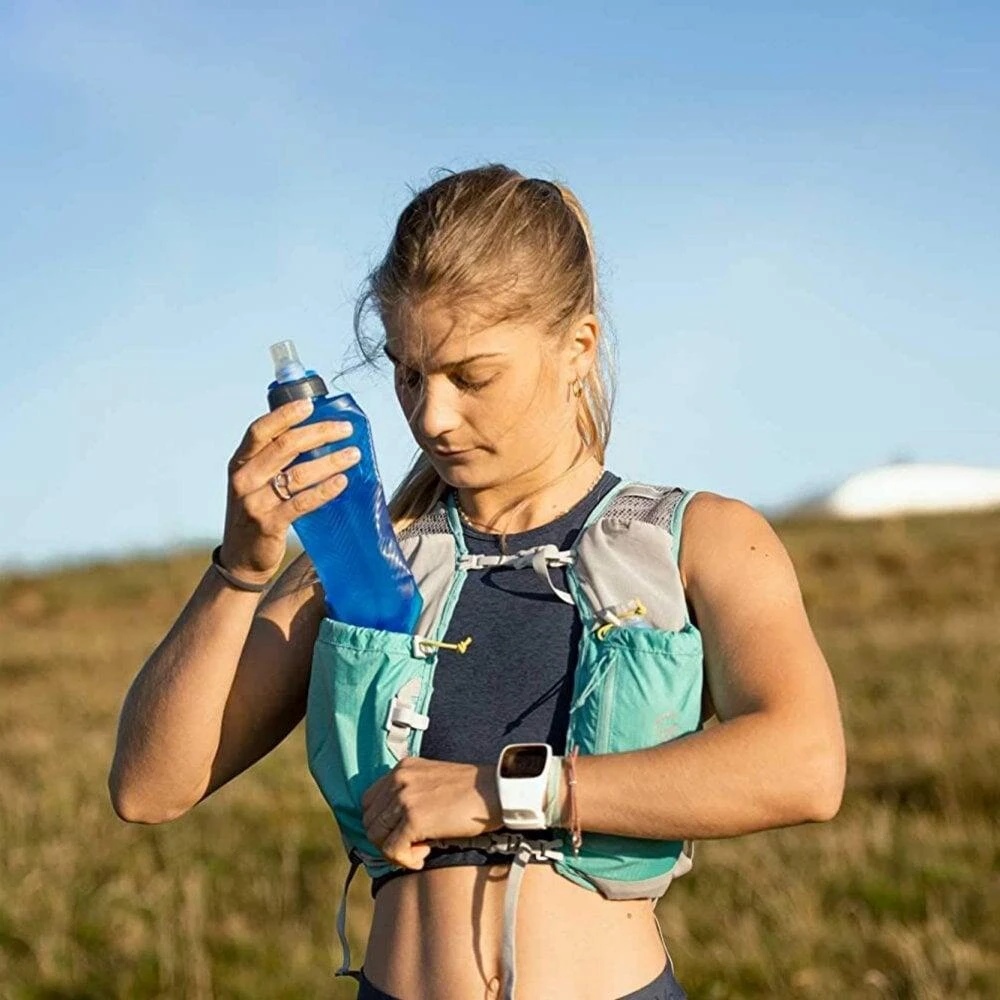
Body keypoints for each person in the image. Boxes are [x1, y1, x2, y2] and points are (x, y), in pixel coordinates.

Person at [109, 163, 846, 1000]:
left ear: (578, 348)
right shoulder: (360, 564)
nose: (431, 417)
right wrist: (240, 569)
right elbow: (149, 789)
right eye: (409, 373)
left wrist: (502, 792)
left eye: (472, 376)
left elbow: (805, 764)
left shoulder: (699, 539)